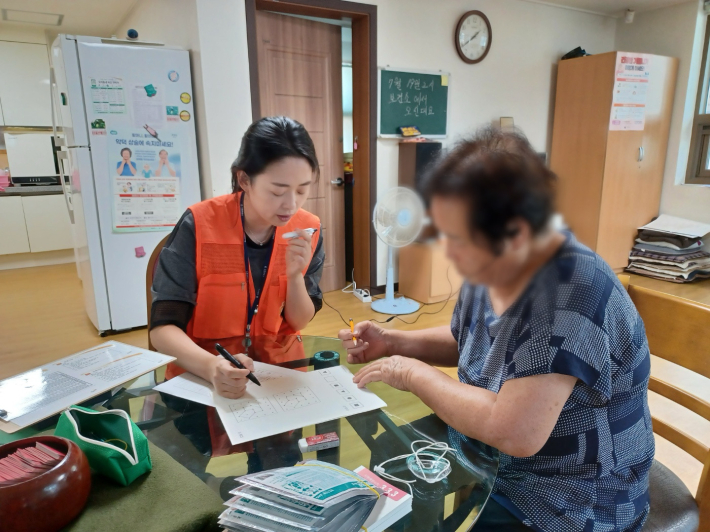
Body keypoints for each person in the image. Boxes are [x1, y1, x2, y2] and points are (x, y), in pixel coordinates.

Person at [339, 127, 654, 532]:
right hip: (492, 458)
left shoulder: (566, 290)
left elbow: (515, 432)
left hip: (566, 495)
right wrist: (393, 341)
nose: (452, 252)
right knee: (382, 475)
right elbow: (468, 340)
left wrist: (412, 373)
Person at [151, 116, 325, 399]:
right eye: (278, 191)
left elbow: (300, 320)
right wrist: (211, 367)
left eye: (302, 190)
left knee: (285, 442)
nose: (291, 204)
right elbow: (162, 330)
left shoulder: (307, 229)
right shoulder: (199, 224)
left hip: (276, 374)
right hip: (203, 375)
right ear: (244, 178)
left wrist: (294, 277)